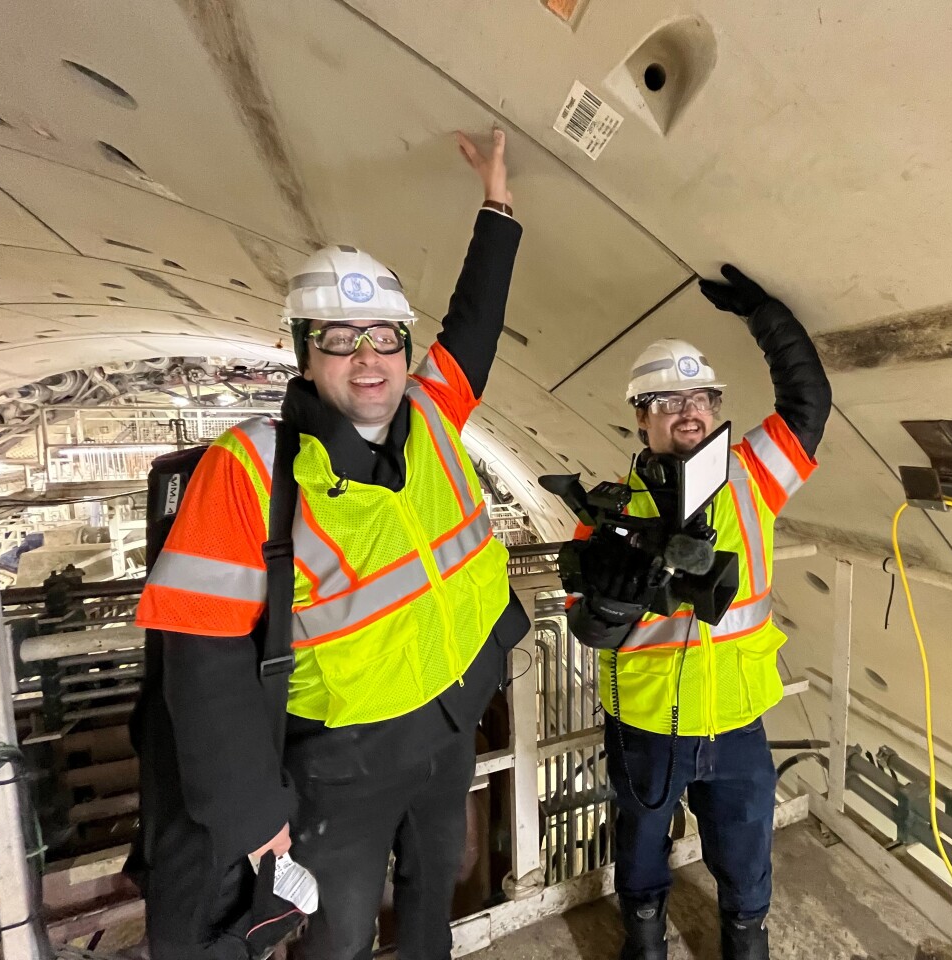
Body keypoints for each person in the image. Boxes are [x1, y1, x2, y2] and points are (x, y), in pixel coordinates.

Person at [133, 128, 529, 960]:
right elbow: (201, 668)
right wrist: (253, 819)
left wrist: (498, 202)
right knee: (339, 938)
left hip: (452, 722)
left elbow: (478, 322)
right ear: (304, 352)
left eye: (384, 336)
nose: (369, 358)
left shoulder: (431, 415)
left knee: (433, 906)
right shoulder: (250, 471)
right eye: (341, 339)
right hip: (338, 768)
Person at [566, 266, 831, 960]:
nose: (689, 409)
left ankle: (747, 940)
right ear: (640, 415)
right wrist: (613, 600)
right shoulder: (607, 514)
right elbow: (586, 628)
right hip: (649, 725)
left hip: (739, 718)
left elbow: (808, 402)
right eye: (667, 400)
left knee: (746, 847)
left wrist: (765, 315)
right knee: (643, 843)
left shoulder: (751, 473)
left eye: (702, 397)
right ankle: (644, 941)